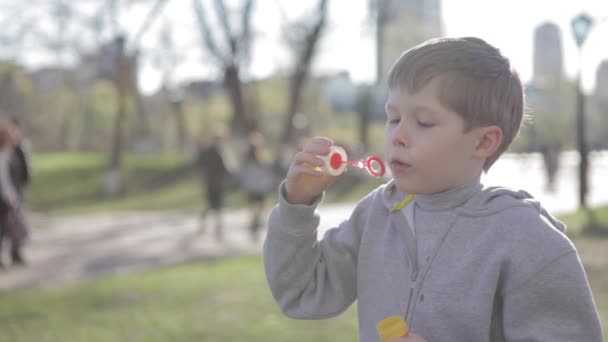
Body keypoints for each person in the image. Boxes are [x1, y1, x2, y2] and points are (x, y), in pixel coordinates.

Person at [263, 37, 602, 342]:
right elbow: (302, 291)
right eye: (393, 118)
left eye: (423, 121)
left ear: (483, 141)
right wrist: (297, 204)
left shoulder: (527, 239)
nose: (398, 136)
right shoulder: (375, 216)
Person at [0, 121, 27, 268]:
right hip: (5, 199)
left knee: (13, 228)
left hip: (12, 196)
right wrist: (10, 197)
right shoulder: (2, 155)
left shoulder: (12, 153)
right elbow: (3, 179)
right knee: (5, 229)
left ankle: (15, 254)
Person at [239, 131, 274, 242]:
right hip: (258, 186)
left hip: (253, 187)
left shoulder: (249, 160)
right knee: (258, 208)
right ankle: (255, 224)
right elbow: (265, 172)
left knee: (255, 209)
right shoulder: (257, 159)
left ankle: (255, 224)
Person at [196, 127, 230, 241]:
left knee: (214, 205)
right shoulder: (214, 152)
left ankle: (216, 225)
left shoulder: (211, 151)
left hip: (214, 182)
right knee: (213, 205)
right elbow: (224, 167)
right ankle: (215, 225)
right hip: (213, 182)